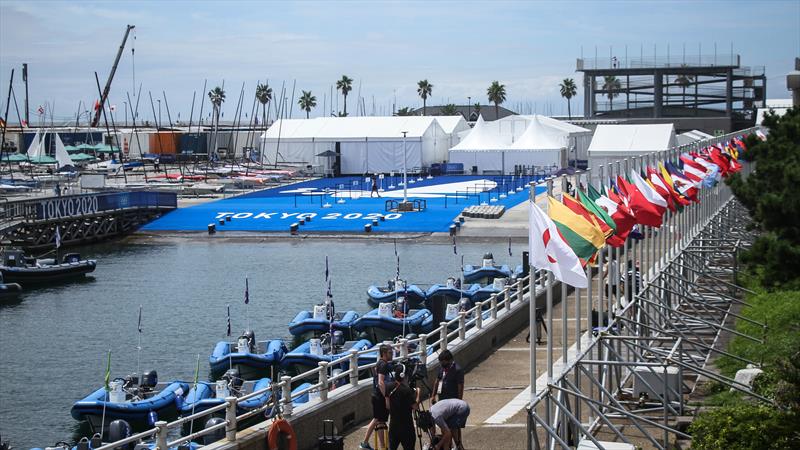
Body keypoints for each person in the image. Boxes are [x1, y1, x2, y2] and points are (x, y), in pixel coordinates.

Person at [361, 344, 393, 450]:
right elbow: (380, 382)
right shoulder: (383, 365)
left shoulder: (380, 363)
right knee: (376, 420)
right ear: (384, 353)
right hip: (379, 397)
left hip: (377, 396)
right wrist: (386, 397)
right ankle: (364, 443)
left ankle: (382, 446)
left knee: (380, 421)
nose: (392, 354)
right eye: (390, 352)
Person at [387, 363, 421, 450]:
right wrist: (418, 394)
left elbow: (387, 405)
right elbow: (415, 407)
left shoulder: (389, 387)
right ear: (403, 375)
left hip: (393, 426)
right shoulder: (407, 391)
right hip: (406, 427)